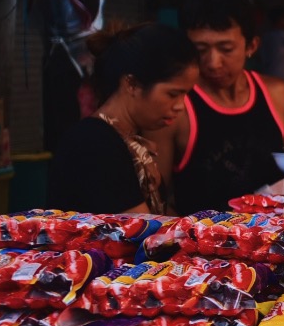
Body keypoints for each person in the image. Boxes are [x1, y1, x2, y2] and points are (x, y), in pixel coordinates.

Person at [153, 0, 284, 215]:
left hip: (279, 242)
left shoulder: (276, 94)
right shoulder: (177, 106)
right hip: (202, 245)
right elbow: (157, 200)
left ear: (251, 46)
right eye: (200, 49)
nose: (213, 62)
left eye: (226, 49)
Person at [49, 24, 199, 214]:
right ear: (132, 84)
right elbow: (140, 229)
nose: (180, 106)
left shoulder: (123, 139)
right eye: (172, 94)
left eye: (185, 95)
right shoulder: (94, 143)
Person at [256, 8, 284, 83]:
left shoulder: (266, 36)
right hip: (282, 76)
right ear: (280, 20)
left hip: (269, 74)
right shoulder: (282, 35)